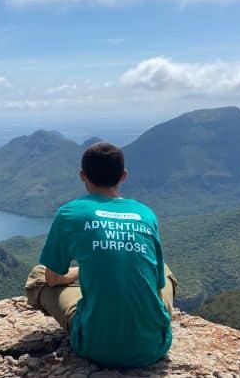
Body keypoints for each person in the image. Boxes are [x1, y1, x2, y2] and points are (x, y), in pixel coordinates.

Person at [25, 142, 177, 368]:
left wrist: (79, 273)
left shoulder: (69, 213)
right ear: (124, 176)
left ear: (82, 176)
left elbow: (52, 278)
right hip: (153, 346)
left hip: (95, 346)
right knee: (163, 270)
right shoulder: (146, 214)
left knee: (39, 277)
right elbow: (156, 284)